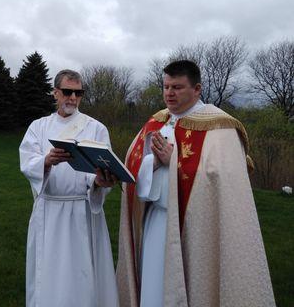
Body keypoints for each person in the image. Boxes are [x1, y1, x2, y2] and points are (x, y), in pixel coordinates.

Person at [116, 60, 275, 307]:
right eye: (166, 86)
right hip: (155, 222)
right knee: (153, 288)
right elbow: (133, 167)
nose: (169, 93)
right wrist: (154, 165)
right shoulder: (156, 122)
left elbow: (221, 182)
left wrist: (173, 162)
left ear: (197, 89)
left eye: (177, 87)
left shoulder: (219, 128)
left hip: (196, 229)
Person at [19, 69, 119, 307]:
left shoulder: (95, 128)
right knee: (49, 273)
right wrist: (46, 161)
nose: (72, 98)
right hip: (49, 211)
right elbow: (26, 161)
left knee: (82, 272)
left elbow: (102, 165)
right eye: (67, 92)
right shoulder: (38, 127)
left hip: (82, 211)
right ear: (55, 93)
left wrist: (99, 182)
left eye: (78, 93)